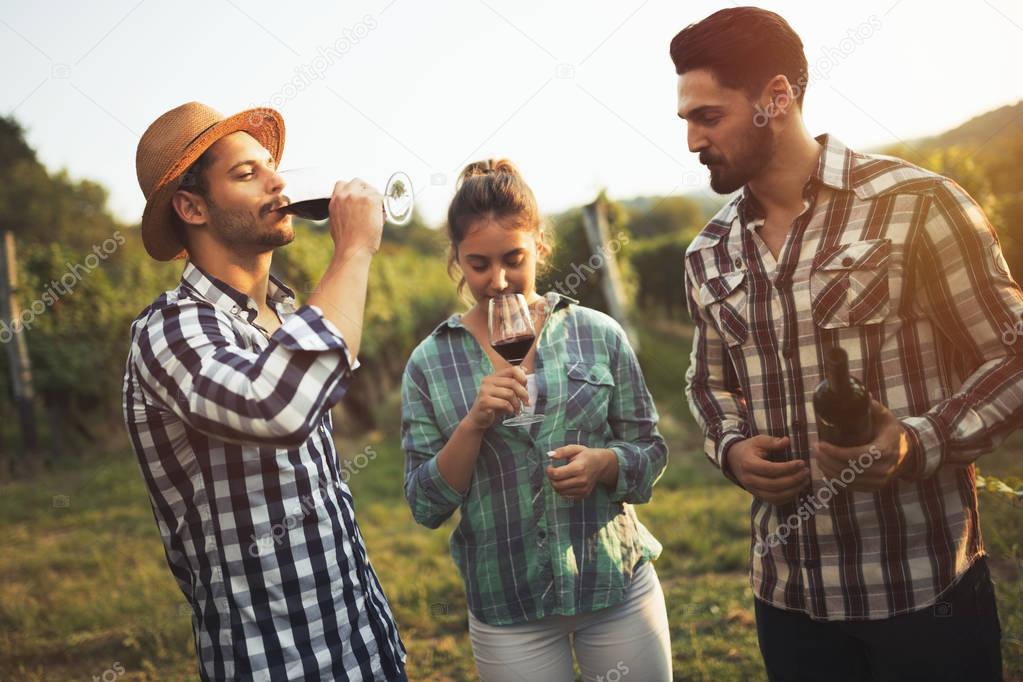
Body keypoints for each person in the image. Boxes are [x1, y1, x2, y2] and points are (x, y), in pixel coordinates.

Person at [674, 8, 1021, 681]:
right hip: (786, 601)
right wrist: (730, 445)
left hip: (923, 593)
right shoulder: (706, 253)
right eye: (685, 118)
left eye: (707, 116)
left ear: (774, 98)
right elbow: (705, 382)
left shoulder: (916, 205)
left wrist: (913, 443)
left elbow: (1010, 355)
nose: (690, 139)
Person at [123, 101, 406, 681]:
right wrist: (353, 250)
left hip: (363, 645)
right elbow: (277, 408)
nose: (278, 181)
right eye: (247, 173)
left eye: (270, 165)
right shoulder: (171, 330)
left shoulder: (286, 315)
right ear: (192, 206)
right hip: (274, 664)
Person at [400, 159, 672, 681]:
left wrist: (604, 464)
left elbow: (650, 451)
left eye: (514, 259)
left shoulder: (597, 333)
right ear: (455, 258)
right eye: (478, 264)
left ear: (539, 246)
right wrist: (474, 422)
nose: (498, 281)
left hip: (614, 584)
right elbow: (426, 504)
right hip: (509, 610)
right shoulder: (430, 362)